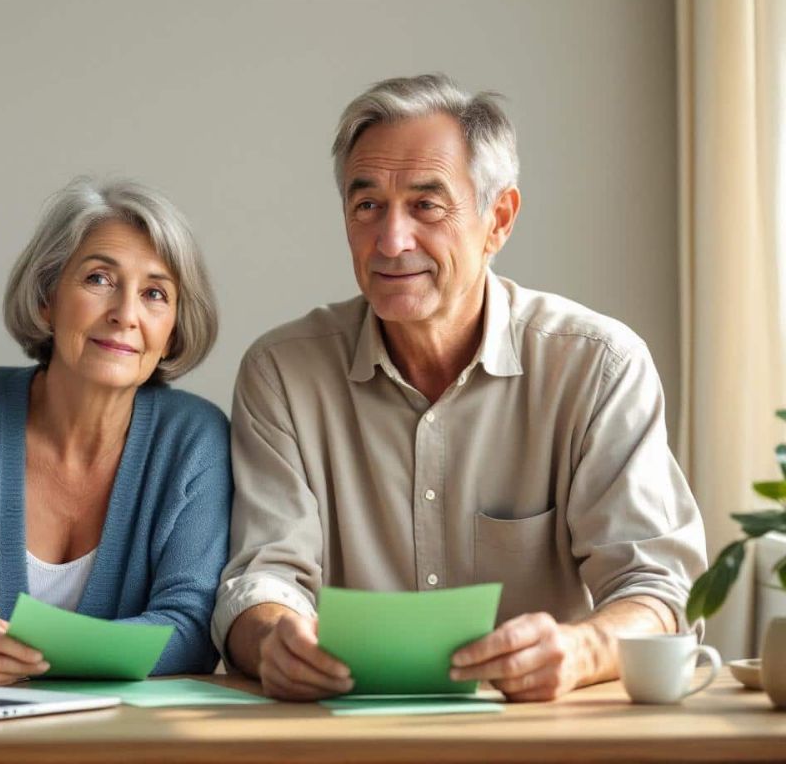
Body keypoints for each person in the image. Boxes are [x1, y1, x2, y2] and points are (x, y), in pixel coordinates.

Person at [212, 74, 707, 702]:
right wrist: (272, 640)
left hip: (543, 730)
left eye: (427, 205)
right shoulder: (283, 373)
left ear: (498, 220)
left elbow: (659, 587)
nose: (391, 241)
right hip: (342, 730)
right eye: (367, 206)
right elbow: (262, 577)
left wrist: (582, 650)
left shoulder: (598, 366)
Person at [0, 176, 231, 683]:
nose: (125, 315)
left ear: (173, 330)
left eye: (155, 293)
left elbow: (191, 629)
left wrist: (21, 652)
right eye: (99, 280)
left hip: (127, 732)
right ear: (47, 298)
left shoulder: (195, 440)